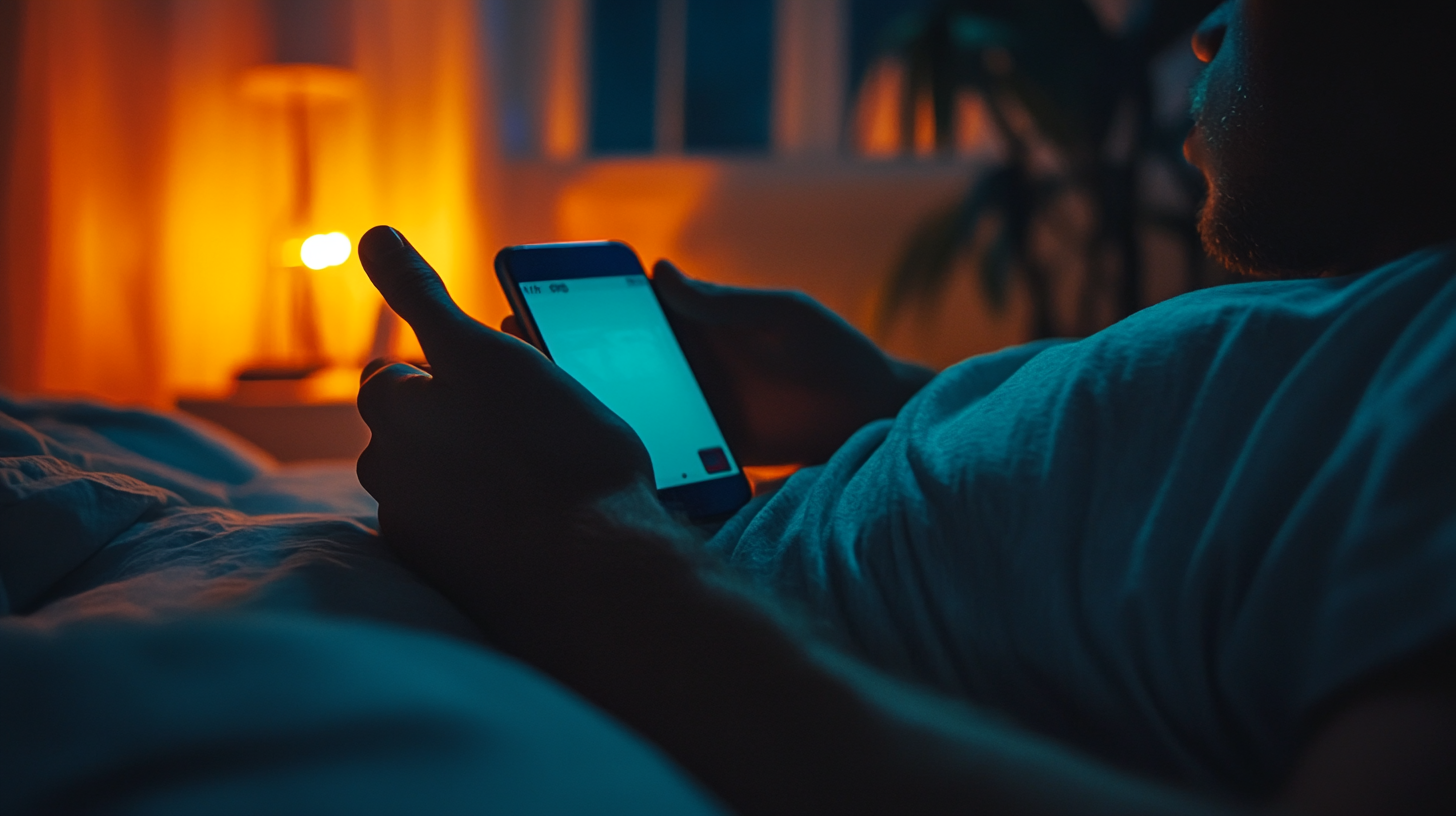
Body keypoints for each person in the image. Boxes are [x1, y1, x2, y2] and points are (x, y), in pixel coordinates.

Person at [353, 1, 1456, 812]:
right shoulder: (1391, 330)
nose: (1205, 31)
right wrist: (882, 399)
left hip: (565, 642)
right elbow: (1218, 509)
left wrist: (579, 547)